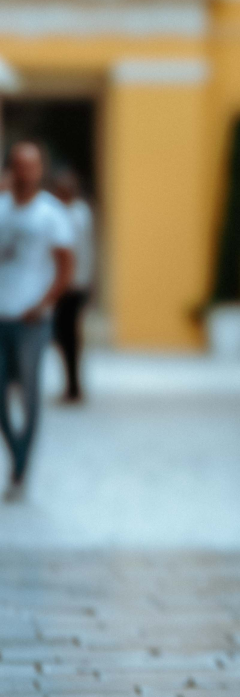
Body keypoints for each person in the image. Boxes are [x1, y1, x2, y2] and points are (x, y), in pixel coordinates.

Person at [0, 142, 75, 502]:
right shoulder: (1, 209)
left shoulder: (51, 213)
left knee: (29, 396)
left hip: (32, 322)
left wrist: (43, 304)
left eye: (31, 165)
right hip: (2, 317)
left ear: (39, 169)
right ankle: (15, 453)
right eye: (19, 165)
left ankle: (21, 467)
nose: (25, 172)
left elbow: (66, 266)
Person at [51, 168, 94, 402]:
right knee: (64, 335)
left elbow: (79, 251)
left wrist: (81, 280)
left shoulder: (77, 214)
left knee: (69, 336)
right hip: (66, 282)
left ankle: (74, 386)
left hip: (73, 284)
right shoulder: (65, 212)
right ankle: (72, 384)